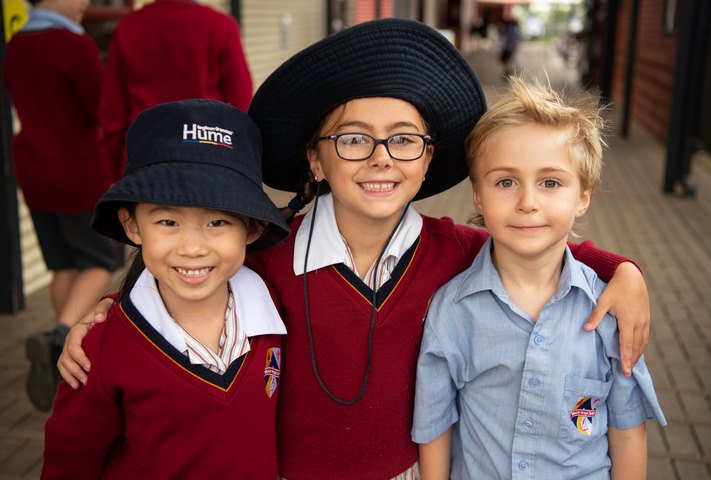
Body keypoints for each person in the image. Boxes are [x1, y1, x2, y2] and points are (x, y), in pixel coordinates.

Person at [58, 19, 652, 480]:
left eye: (403, 140)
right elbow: (191, 268)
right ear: (314, 160)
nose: (380, 158)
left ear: (427, 159)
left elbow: (533, 241)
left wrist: (622, 269)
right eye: (352, 139)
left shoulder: (454, 250)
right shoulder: (266, 258)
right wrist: (112, 307)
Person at [412, 77, 666, 479]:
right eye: (505, 182)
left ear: (583, 196)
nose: (527, 203)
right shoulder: (452, 311)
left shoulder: (610, 313)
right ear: (477, 195)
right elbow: (434, 426)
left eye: (550, 182)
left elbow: (628, 432)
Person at [41, 99, 290, 478]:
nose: (192, 247)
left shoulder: (275, 303)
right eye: (168, 221)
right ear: (133, 226)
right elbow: (69, 460)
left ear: (252, 229)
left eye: (219, 222)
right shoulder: (99, 349)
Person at [2, 0, 125, 412]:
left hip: (33, 169)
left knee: (64, 265)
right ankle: (59, 339)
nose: (86, 1)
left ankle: (63, 362)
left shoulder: (17, 44)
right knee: (100, 262)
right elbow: (101, 109)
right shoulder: (74, 46)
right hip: (77, 172)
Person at [99, 0, 254, 177]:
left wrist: (115, 172)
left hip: (143, 163)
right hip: (209, 161)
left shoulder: (129, 26)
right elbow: (241, 106)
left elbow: (112, 115)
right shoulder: (220, 25)